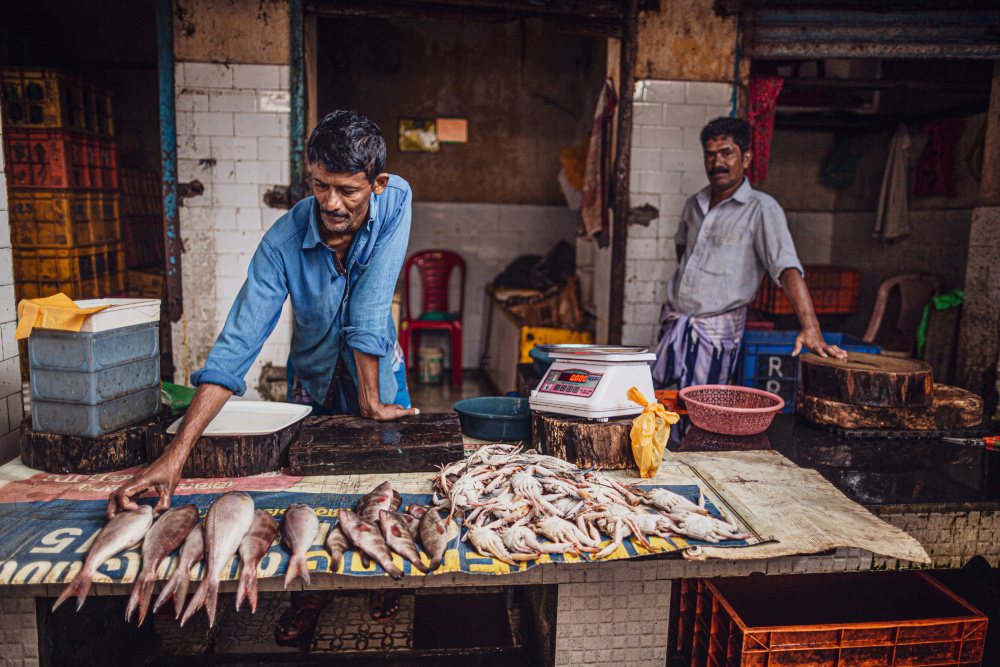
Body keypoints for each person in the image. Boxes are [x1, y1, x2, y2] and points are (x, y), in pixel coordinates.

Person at [107, 110, 416, 639]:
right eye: (320, 185)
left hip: (378, 376)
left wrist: (370, 398)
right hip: (314, 379)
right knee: (314, 494)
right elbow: (236, 347)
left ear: (377, 184)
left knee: (384, 483)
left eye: (347, 190)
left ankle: (381, 576)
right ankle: (312, 587)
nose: (330, 203)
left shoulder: (397, 200)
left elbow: (371, 304)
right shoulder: (281, 243)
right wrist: (176, 453)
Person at [651, 117, 847, 390]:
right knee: (655, 403)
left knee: (701, 410)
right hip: (676, 320)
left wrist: (811, 328)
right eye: (710, 155)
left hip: (716, 332)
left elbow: (787, 268)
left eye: (726, 153)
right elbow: (684, 250)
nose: (717, 162)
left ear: (746, 158)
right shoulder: (694, 203)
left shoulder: (762, 208)